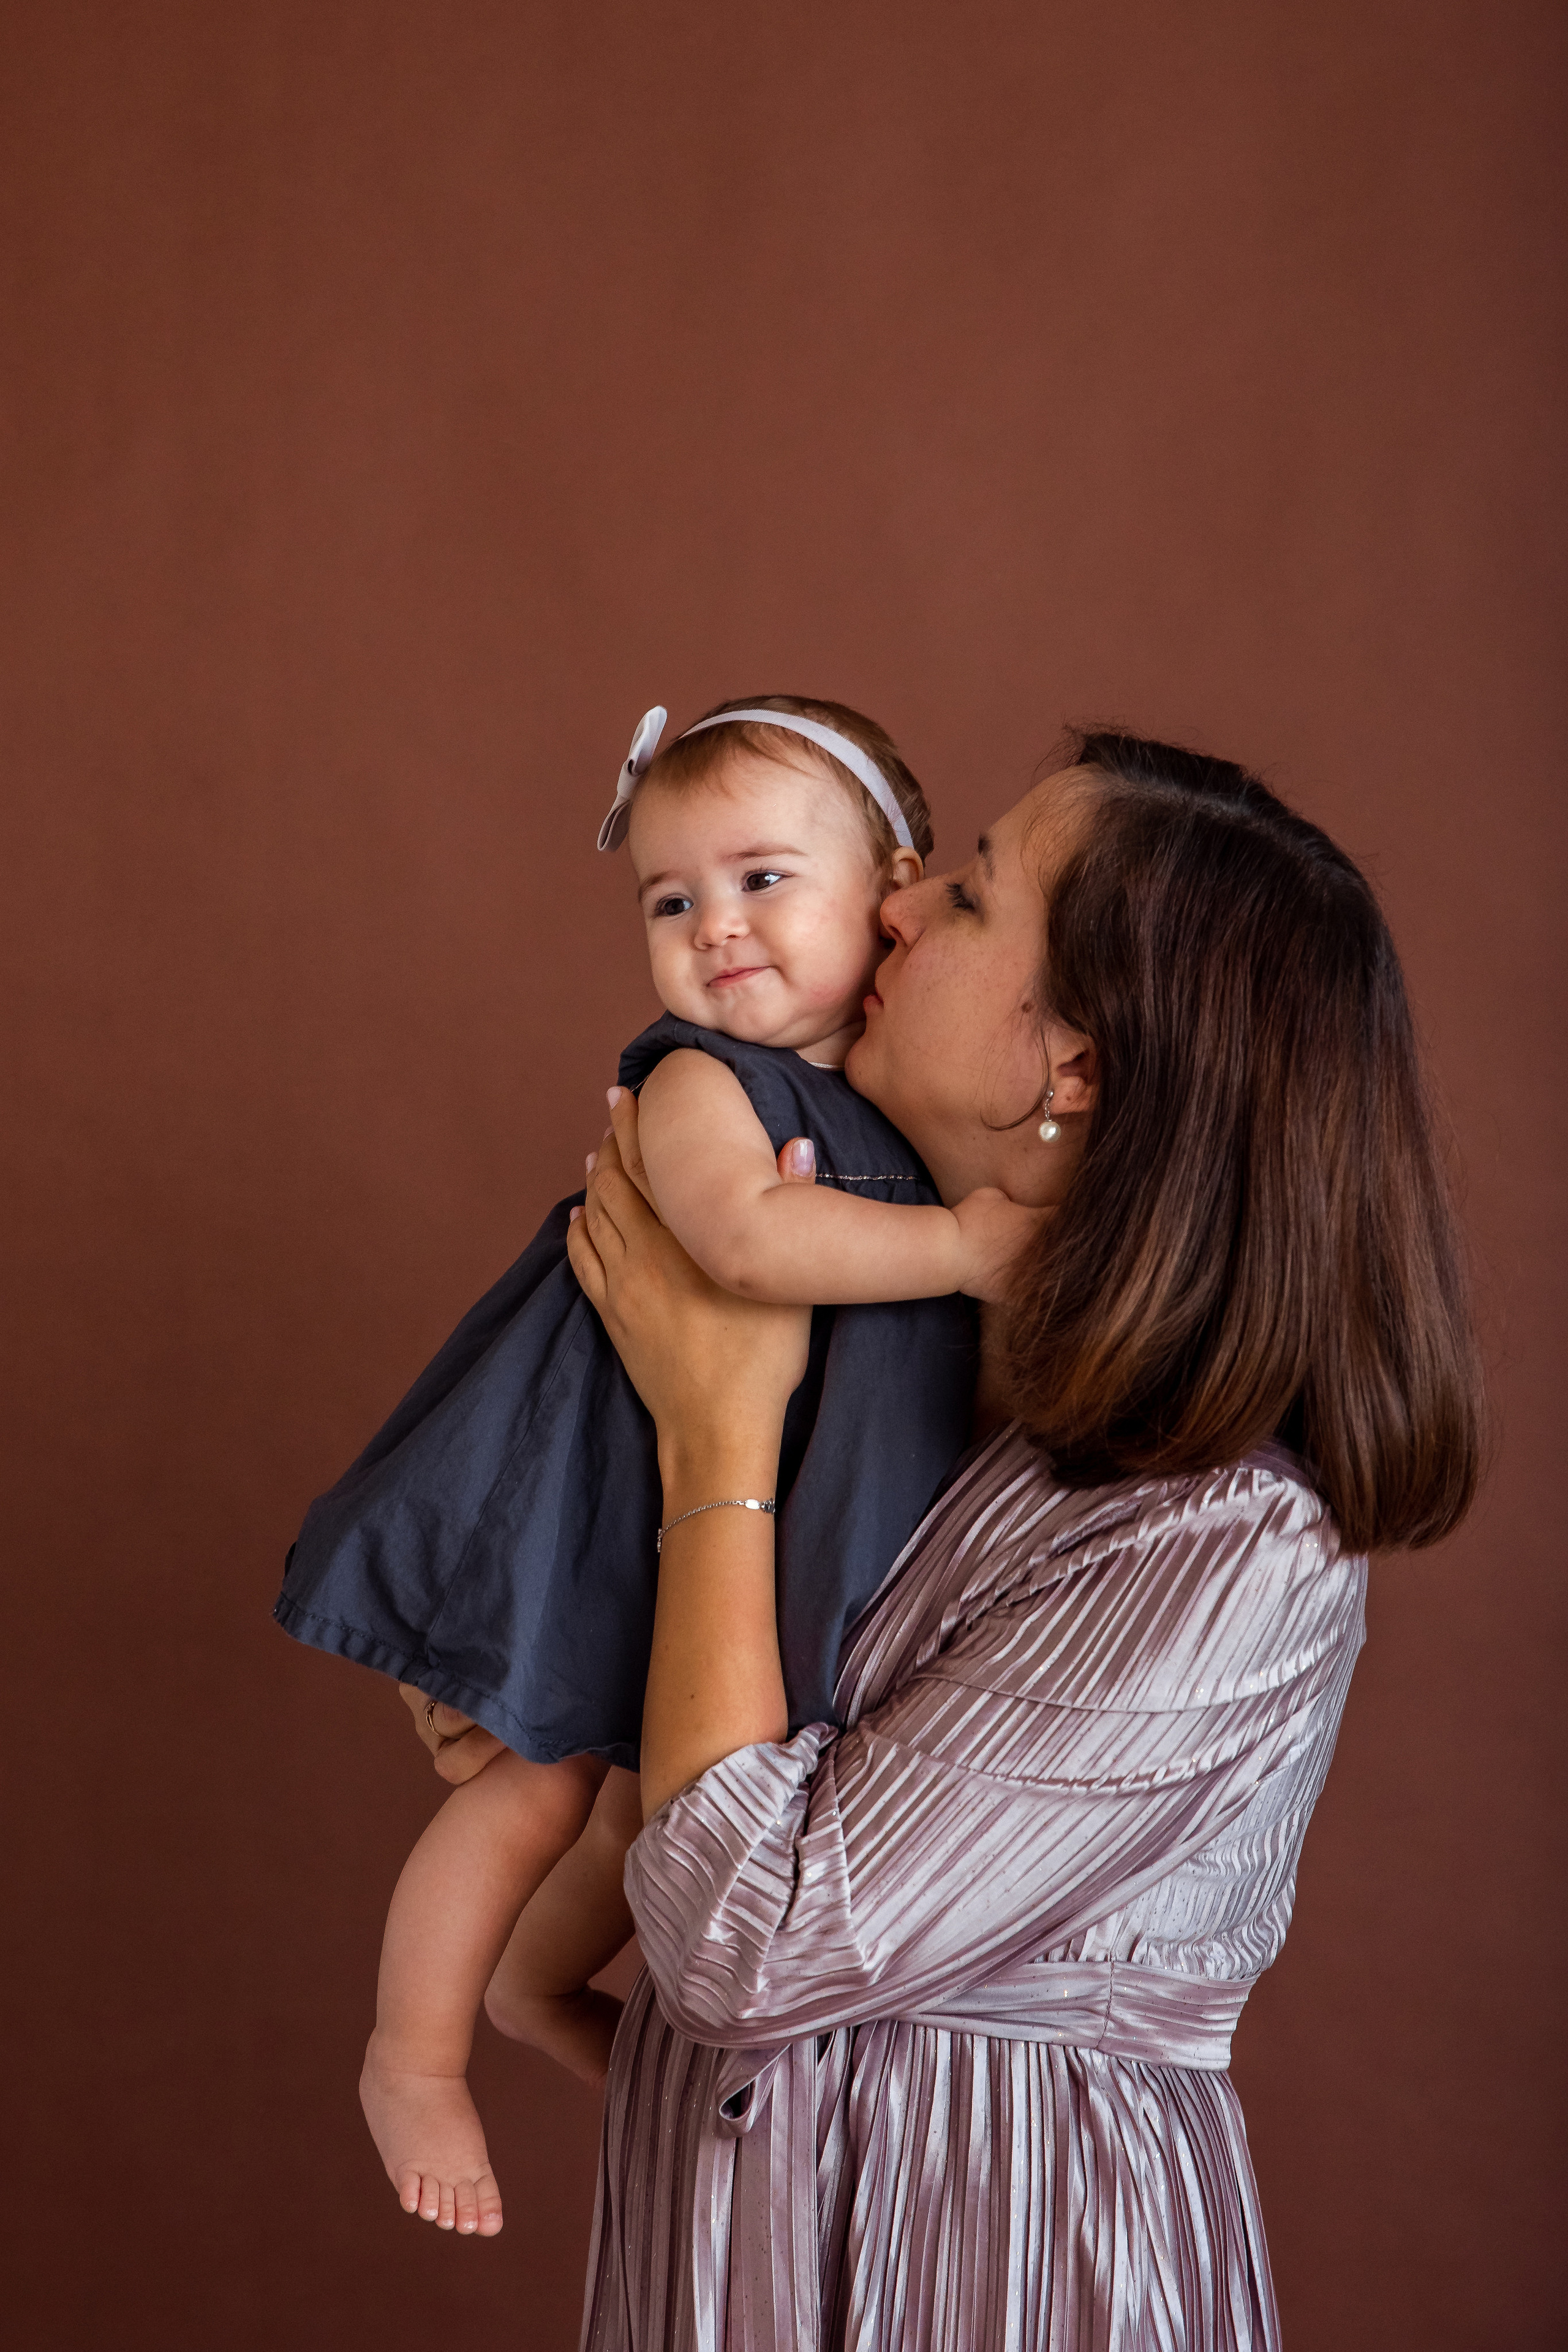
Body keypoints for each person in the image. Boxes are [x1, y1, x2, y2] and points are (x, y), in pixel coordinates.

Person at [427, 728, 1481, 2347]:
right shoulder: (887, 1371)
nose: (895, 902)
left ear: (1074, 1069)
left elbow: (745, 1943)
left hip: (1001, 2264)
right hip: (727, 2257)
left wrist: (717, 1434)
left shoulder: (1227, 1548)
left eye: (970, 896)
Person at [275, 696, 1039, 2233]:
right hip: (609, 1495)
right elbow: (746, 1242)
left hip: (747, 1506)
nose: (714, 929)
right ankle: (412, 2056)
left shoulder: (894, 1092)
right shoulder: (703, 1083)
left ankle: (533, 1988)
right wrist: (963, 1246)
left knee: (659, 1812)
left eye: (762, 880)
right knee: (536, 1790)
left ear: (891, 894)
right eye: (669, 901)